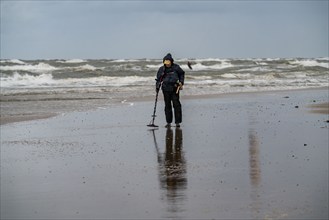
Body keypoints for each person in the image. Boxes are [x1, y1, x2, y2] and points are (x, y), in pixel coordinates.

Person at [156, 53, 185, 128]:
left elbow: (182, 74)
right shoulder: (162, 69)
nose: (167, 64)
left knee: (176, 105)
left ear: (171, 61)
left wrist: (181, 82)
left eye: (168, 63)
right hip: (165, 89)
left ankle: (177, 122)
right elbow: (158, 79)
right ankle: (168, 122)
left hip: (175, 88)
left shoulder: (176, 67)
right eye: (166, 63)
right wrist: (157, 87)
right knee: (167, 106)